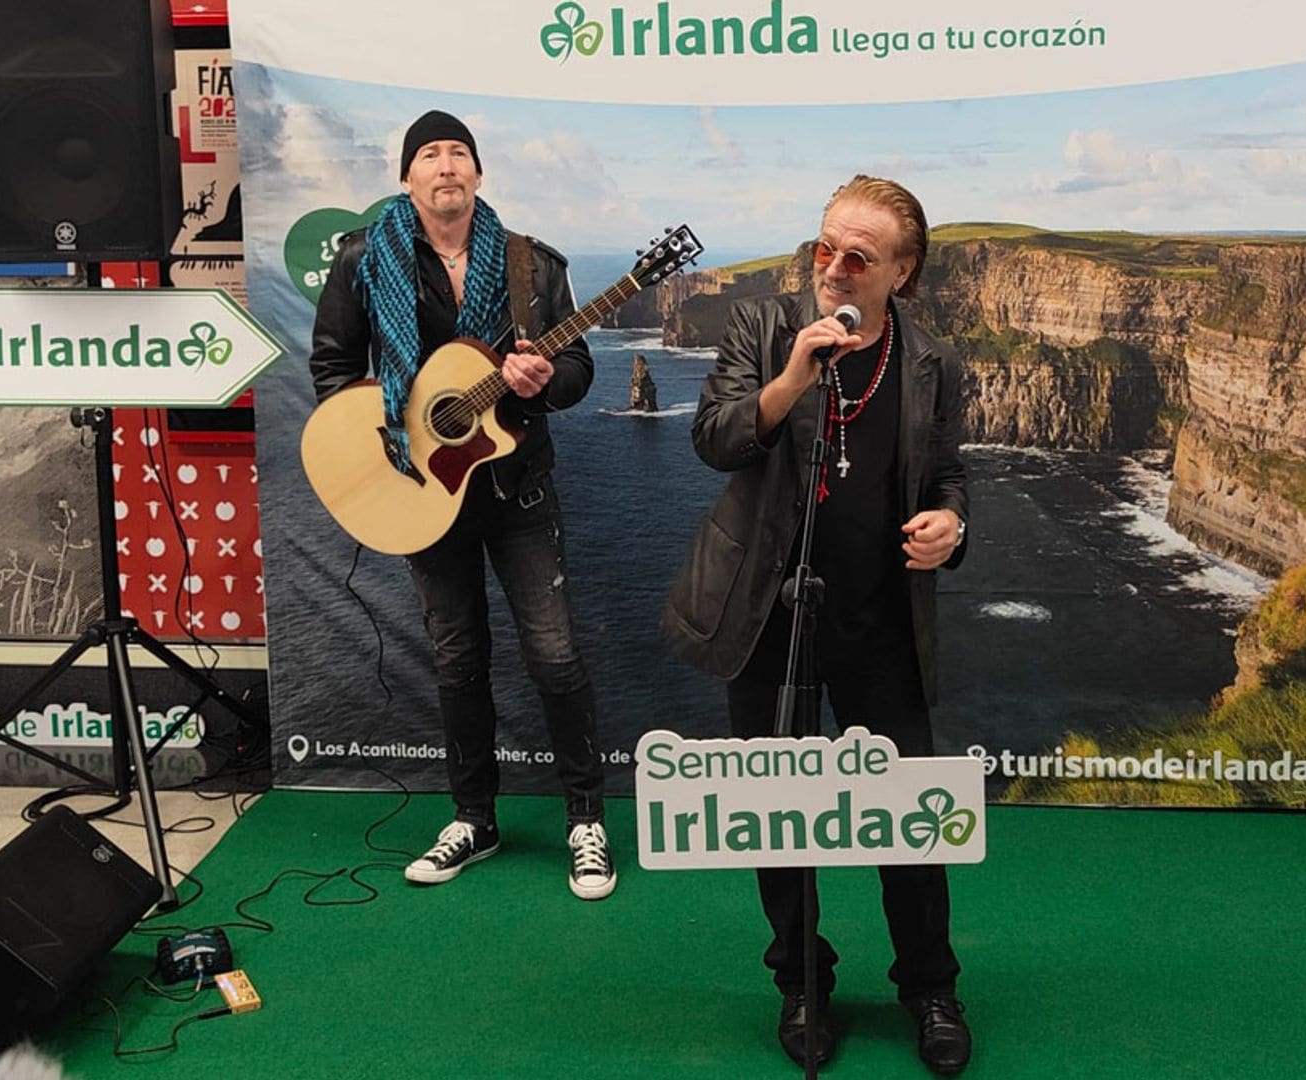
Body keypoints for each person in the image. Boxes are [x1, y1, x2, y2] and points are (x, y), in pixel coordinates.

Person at [663, 176, 972, 1074]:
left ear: (902, 275)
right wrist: (796, 372)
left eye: (859, 258)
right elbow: (716, 438)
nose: (832, 269)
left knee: (908, 816)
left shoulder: (932, 360)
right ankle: (802, 980)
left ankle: (930, 985)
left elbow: (948, 473)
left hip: (879, 620)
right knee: (776, 813)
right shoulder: (762, 328)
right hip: (768, 613)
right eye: (823, 247)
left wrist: (951, 528)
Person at [309, 110, 613, 900]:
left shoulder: (532, 267)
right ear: (407, 177)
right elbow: (334, 366)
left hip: (517, 489)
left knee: (554, 654)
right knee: (456, 658)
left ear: (478, 175)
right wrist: (381, 436)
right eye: (430, 155)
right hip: (418, 492)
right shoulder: (362, 260)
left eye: (460, 154)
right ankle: (474, 818)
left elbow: (578, 368)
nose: (446, 166)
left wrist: (547, 383)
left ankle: (586, 818)